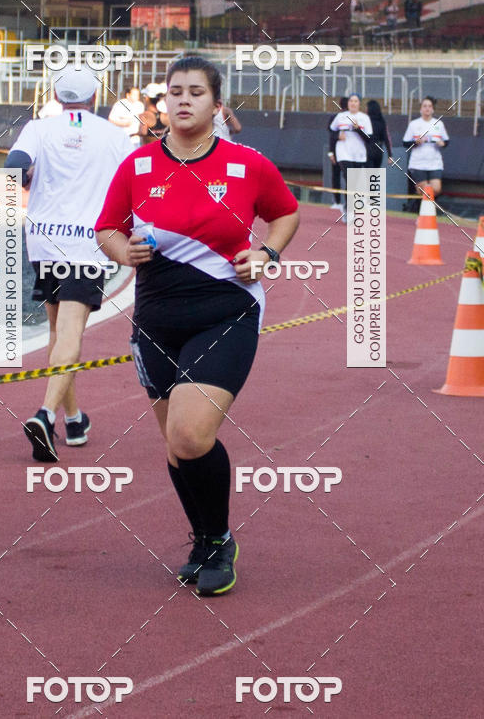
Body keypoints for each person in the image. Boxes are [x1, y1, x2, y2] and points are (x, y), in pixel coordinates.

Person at [95, 55, 299, 596]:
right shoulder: (137, 165)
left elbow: (285, 213)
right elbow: (107, 229)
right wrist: (124, 249)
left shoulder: (247, 164)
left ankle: (218, 538)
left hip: (227, 310)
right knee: (176, 445)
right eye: (174, 92)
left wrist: (267, 253)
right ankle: (209, 539)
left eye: (195, 92)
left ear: (216, 104)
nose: (182, 101)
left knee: (190, 432)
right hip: (157, 317)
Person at [5, 65, 132, 462]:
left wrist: (27, 183)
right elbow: (134, 185)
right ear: (95, 97)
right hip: (88, 243)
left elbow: (12, 168)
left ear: (57, 97)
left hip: (44, 241)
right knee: (71, 333)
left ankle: (74, 419)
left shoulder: (39, 129)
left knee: (58, 331)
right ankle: (44, 414)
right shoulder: (115, 135)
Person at [329, 93, 373, 220]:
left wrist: (358, 129)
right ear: (348, 103)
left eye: (356, 101)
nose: (353, 103)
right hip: (343, 152)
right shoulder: (341, 117)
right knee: (350, 178)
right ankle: (349, 211)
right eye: (351, 101)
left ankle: (347, 207)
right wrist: (337, 136)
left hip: (359, 154)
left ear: (359, 104)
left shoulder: (364, 118)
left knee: (354, 182)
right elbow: (331, 131)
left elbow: (369, 139)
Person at [403, 95, 449, 203]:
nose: (427, 108)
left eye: (429, 106)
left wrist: (442, 143)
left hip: (434, 163)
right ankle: (420, 211)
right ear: (421, 109)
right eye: (425, 106)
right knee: (423, 190)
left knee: (436, 189)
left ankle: (427, 210)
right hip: (418, 163)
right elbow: (405, 143)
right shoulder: (414, 124)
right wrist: (416, 142)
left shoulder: (439, 123)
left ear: (432, 109)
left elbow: (446, 141)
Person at [327, 96, 348, 212]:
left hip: (348, 153)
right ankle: (338, 202)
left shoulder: (356, 118)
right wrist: (331, 153)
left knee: (346, 177)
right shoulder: (335, 118)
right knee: (337, 175)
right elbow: (332, 135)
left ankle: (342, 202)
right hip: (338, 151)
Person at [365, 100, 394, 168]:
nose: (365, 109)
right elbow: (386, 138)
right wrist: (390, 155)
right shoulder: (381, 121)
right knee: (375, 175)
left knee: (367, 174)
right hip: (378, 150)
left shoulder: (365, 120)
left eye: (366, 108)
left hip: (367, 150)